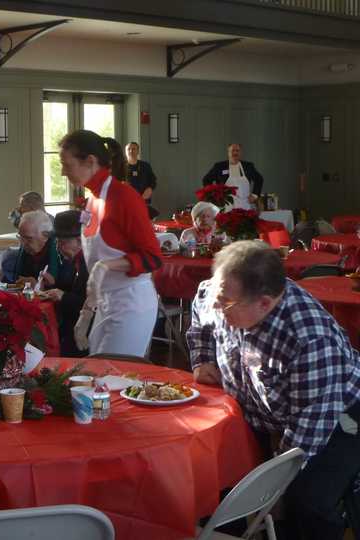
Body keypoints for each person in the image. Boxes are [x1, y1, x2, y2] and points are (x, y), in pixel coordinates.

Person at [187, 241, 360, 540]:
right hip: (259, 410)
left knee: (305, 502)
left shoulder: (311, 340)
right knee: (215, 476)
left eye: (225, 303)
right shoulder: (223, 291)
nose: (216, 305)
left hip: (335, 416)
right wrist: (202, 358)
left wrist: (273, 489)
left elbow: (307, 430)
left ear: (264, 303)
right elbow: (202, 309)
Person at [59, 130, 161, 357]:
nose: (63, 172)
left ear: (90, 161)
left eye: (67, 165)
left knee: (110, 377)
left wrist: (106, 266)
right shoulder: (92, 198)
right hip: (105, 303)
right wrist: (86, 312)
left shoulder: (124, 197)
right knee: (98, 375)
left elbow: (153, 258)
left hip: (131, 303)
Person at [41, 210, 88, 357]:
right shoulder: (74, 262)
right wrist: (52, 285)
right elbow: (71, 289)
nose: (58, 248)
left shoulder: (90, 264)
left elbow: (92, 304)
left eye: (63, 242)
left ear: (80, 241)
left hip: (85, 336)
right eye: (57, 242)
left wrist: (63, 296)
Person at [1, 210, 61, 285]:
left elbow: (66, 291)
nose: (23, 243)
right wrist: (2, 277)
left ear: (45, 236)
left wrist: (39, 287)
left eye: (29, 238)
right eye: (21, 237)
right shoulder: (25, 250)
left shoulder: (61, 251)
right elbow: (18, 280)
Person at [202, 143, 264, 210]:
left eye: (237, 150)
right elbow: (206, 180)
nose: (235, 153)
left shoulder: (248, 166)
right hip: (226, 205)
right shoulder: (219, 167)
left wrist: (254, 195)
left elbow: (259, 179)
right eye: (233, 150)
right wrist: (213, 197)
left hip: (245, 204)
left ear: (240, 153)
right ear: (228, 153)